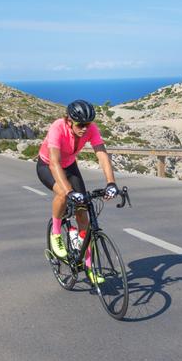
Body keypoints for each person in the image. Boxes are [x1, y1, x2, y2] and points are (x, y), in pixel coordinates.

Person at [37, 99, 119, 283]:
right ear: (69, 120)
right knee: (62, 194)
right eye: (80, 124)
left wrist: (111, 183)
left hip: (70, 165)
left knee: (83, 211)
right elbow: (55, 163)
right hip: (48, 166)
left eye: (87, 124)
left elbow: (102, 154)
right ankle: (56, 233)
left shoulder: (91, 128)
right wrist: (68, 191)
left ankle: (89, 266)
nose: (84, 128)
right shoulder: (58, 127)